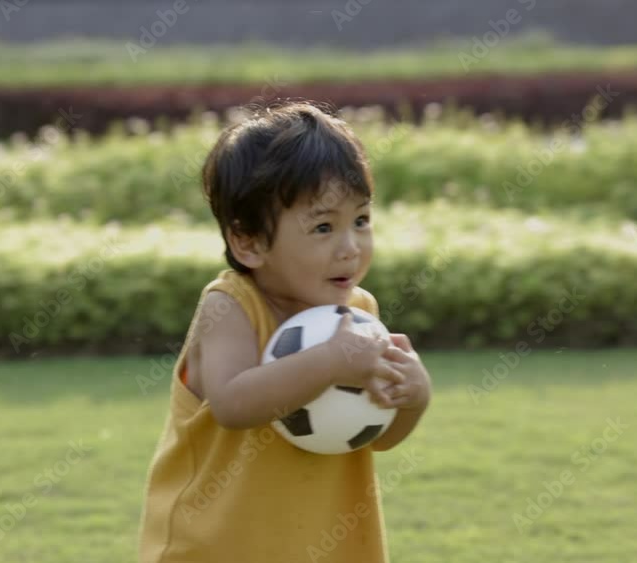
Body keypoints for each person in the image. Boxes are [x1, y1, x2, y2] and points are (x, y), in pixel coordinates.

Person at [138, 102, 432, 563]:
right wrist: (332, 361)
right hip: (219, 547)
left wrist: (413, 397)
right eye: (323, 227)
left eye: (361, 220)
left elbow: (378, 435)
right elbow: (233, 404)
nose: (350, 247)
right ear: (249, 242)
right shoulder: (231, 306)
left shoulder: (359, 314)